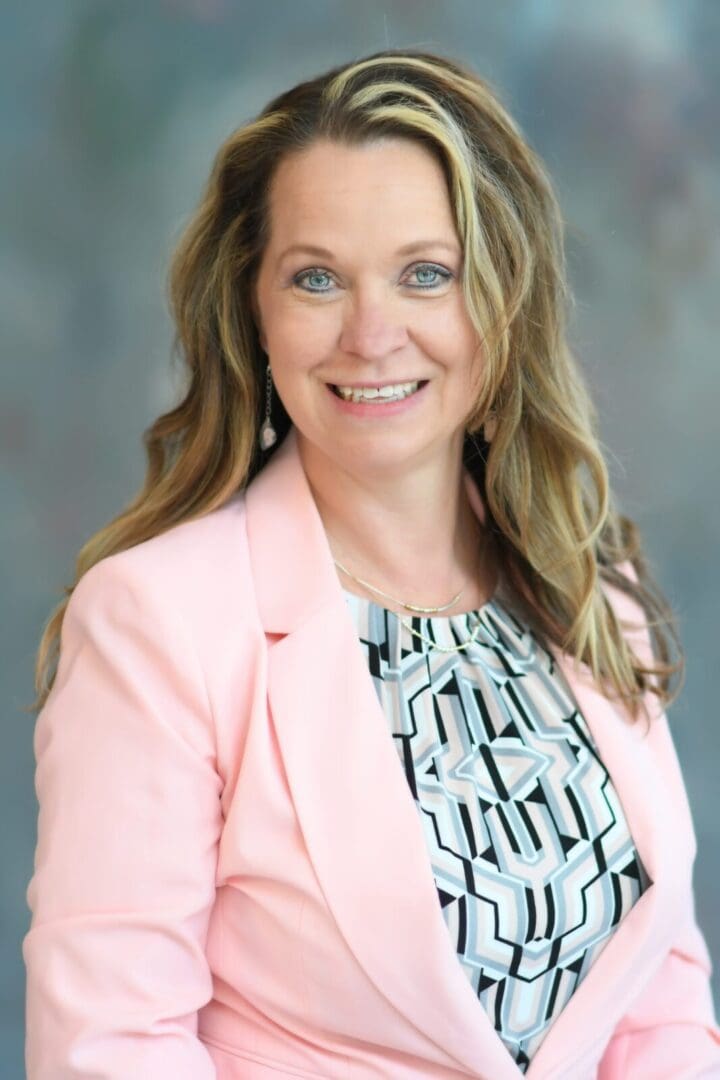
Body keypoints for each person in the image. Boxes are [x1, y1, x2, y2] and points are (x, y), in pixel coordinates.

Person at [23, 48, 720, 1079]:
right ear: (254, 316)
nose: (371, 333)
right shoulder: (159, 620)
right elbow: (112, 1048)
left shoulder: (587, 594)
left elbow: (659, 1009)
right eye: (316, 279)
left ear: (501, 302)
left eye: (424, 274)